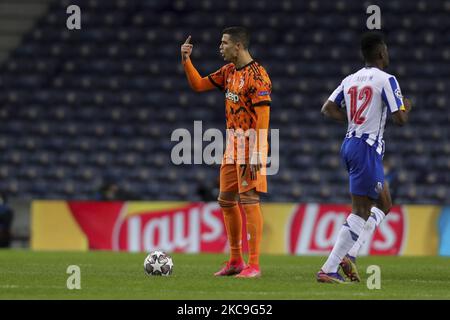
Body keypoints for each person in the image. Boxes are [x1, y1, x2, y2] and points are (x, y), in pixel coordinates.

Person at [317, 32, 412, 283]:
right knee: (360, 211)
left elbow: (327, 108)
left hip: (350, 144)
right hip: (366, 148)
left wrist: (354, 119)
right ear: (381, 53)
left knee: (384, 203)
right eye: (387, 51)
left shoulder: (350, 79)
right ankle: (329, 267)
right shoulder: (387, 79)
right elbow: (400, 119)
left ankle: (352, 253)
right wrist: (406, 105)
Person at [181, 26, 271, 278]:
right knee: (225, 200)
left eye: (224, 43)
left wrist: (258, 152)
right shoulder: (229, 72)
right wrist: (186, 61)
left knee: (249, 200)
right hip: (232, 144)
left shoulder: (258, 76)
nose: (220, 47)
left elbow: (264, 117)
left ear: (238, 46)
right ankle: (235, 260)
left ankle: (254, 264)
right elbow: (198, 85)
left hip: (250, 144)